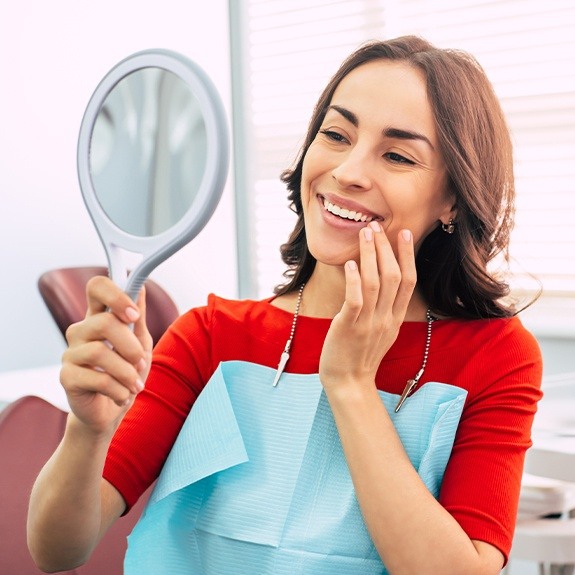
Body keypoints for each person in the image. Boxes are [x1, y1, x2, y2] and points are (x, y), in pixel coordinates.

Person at [28, 35, 542, 575]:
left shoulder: (497, 357)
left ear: (453, 199)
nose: (348, 171)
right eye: (336, 135)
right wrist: (86, 433)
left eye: (396, 155)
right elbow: (58, 549)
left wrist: (349, 385)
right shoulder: (210, 337)